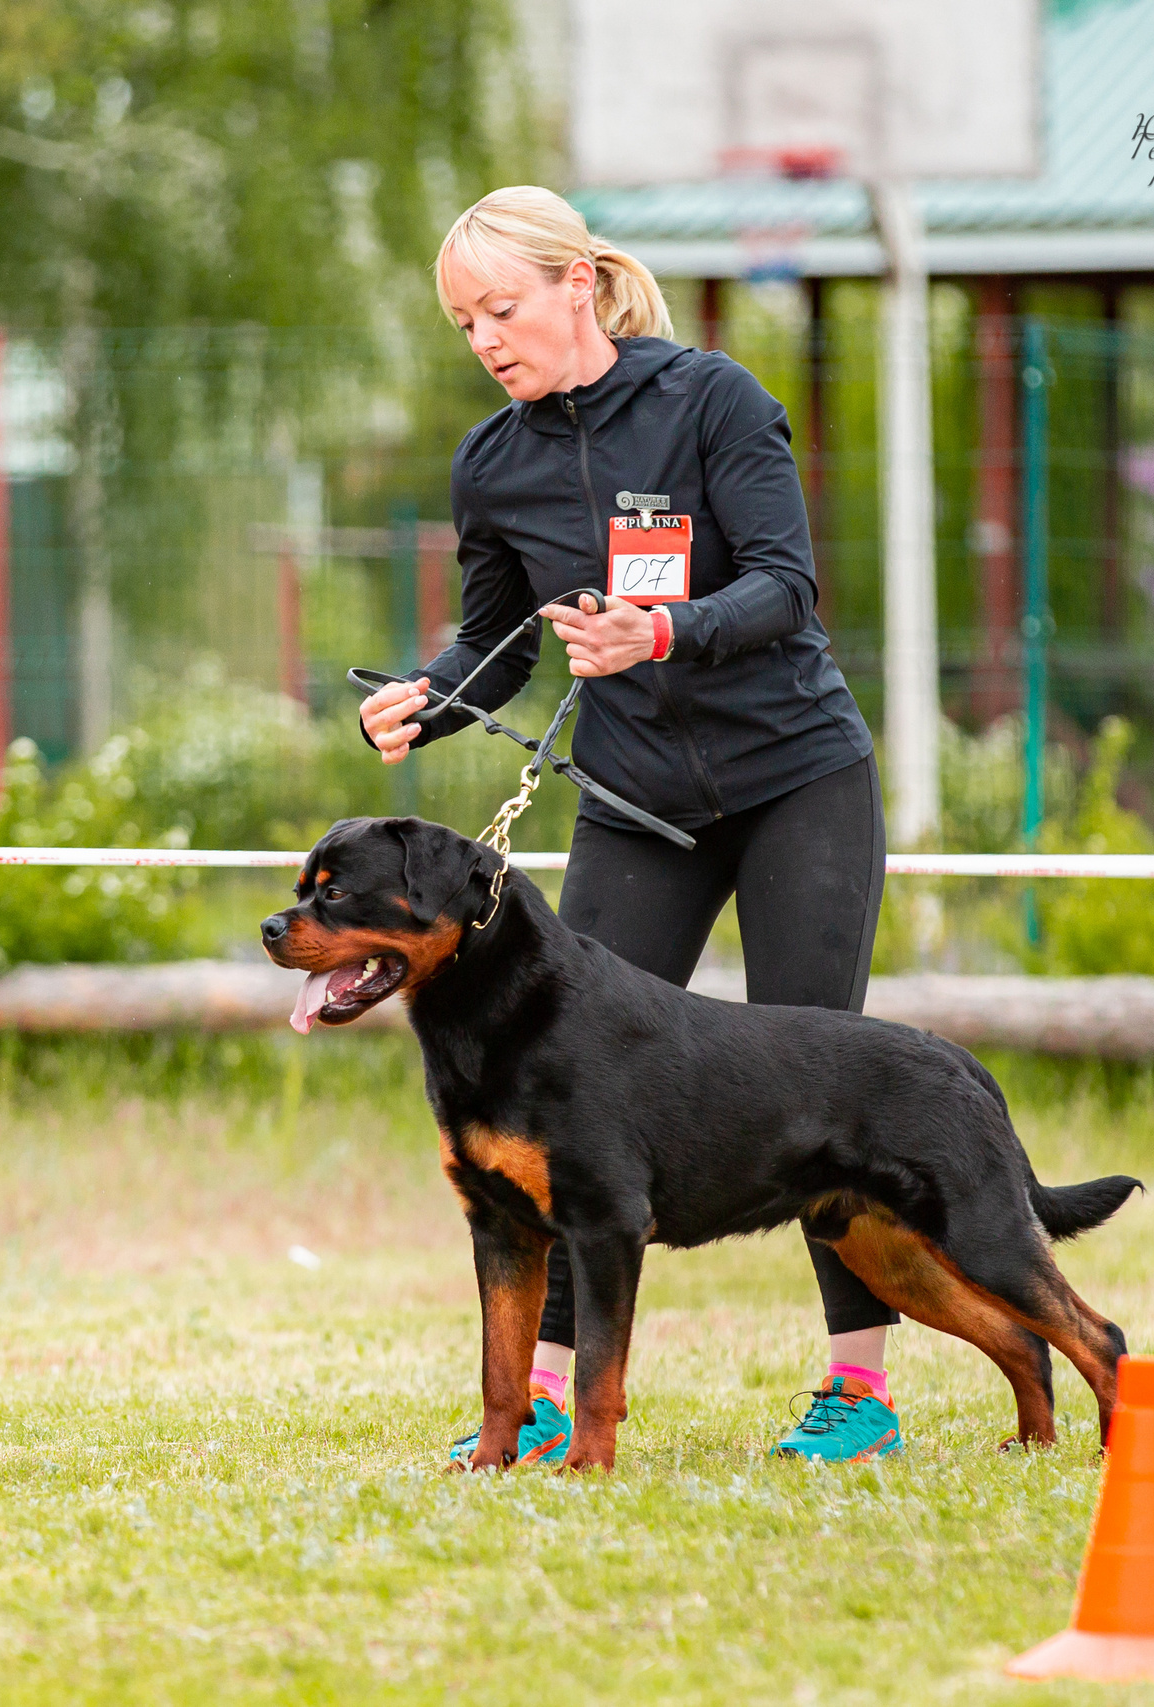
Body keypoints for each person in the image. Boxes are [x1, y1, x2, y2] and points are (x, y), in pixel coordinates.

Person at [360, 187, 901, 1463]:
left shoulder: (711, 400)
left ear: (578, 288)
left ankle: (858, 1396)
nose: (487, 338)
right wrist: (423, 704)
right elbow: (492, 652)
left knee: (820, 1083)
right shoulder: (492, 463)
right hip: (636, 800)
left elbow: (786, 587)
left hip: (796, 781)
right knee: (562, 1087)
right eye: (464, 322)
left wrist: (663, 629)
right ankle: (542, 1401)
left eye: (503, 307)